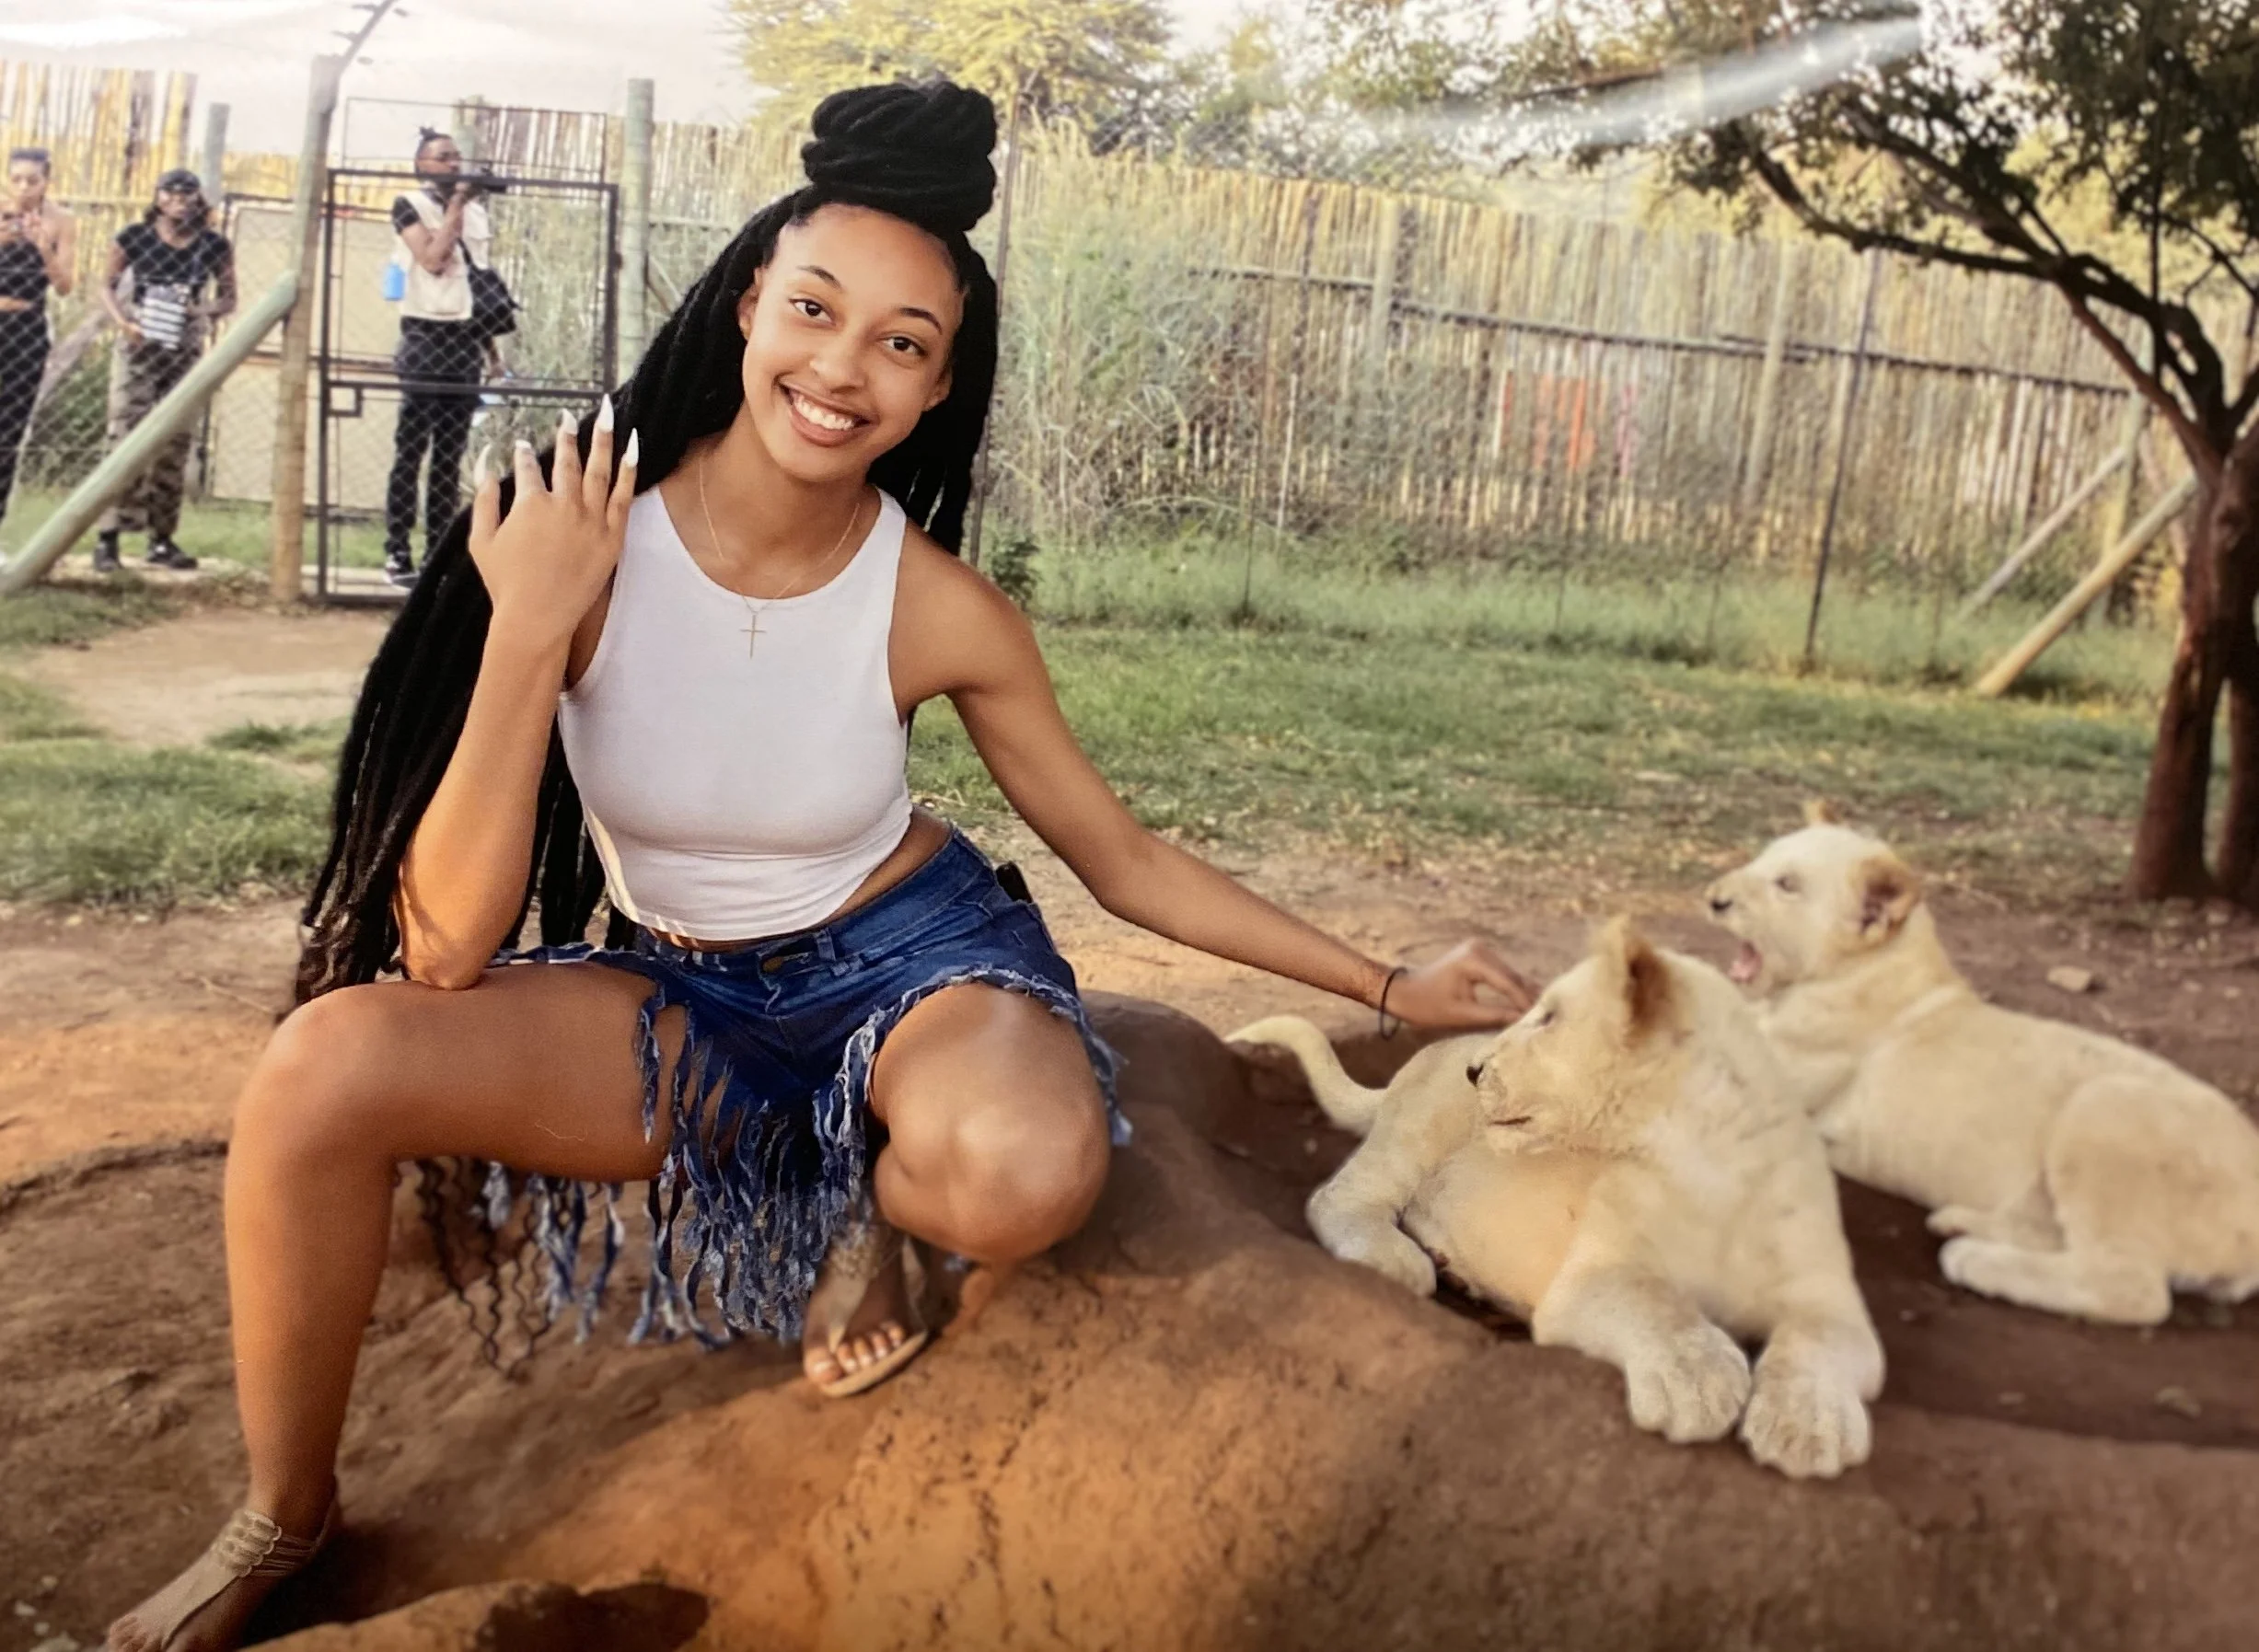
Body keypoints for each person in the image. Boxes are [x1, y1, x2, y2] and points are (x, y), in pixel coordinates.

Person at [104, 82, 1536, 1652]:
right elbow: (443, 949)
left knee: (1016, 1173)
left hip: (911, 968)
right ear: (745, 307)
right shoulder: (571, 533)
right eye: (815, 309)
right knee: (323, 1068)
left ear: (936, 390)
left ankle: (892, 1216)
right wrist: (528, 629)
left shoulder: (939, 609)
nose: (843, 367)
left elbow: (1117, 857)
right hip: (684, 1003)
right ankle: (282, 1510)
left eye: (903, 343)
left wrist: (1387, 982)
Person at [91, 167, 235, 572]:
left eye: (187, 194)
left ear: (198, 199)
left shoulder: (213, 245)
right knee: (125, 435)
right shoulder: (133, 237)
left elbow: (227, 298)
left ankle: (162, 538)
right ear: (156, 197)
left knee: (175, 441)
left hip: (183, 348)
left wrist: (197, 311)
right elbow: (105, 285)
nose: (178, 200)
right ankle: (109, 537)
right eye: (170, 193)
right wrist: (124, 321)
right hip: (138, 344)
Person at [383, 128, 502, 590]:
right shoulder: (408, 203)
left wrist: (491, 348)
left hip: (465, 337)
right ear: (423, 164)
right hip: (424, 335)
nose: (454, 164)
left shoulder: (473, 213)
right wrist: (455, 204)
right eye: (443, 157)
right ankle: (397, 550)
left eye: (458, 157)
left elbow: (479, 282)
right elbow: (433, 258)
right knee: (411, 449)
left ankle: (436, 553)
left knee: (449, 454)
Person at [0, 145, 76, 529]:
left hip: (25, 329)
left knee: (8, 430)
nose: (24, 187)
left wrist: (42, 247)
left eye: (33, 180)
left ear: (47, 181)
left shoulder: (60, 220)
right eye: (16, 179)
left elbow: (64, 286)